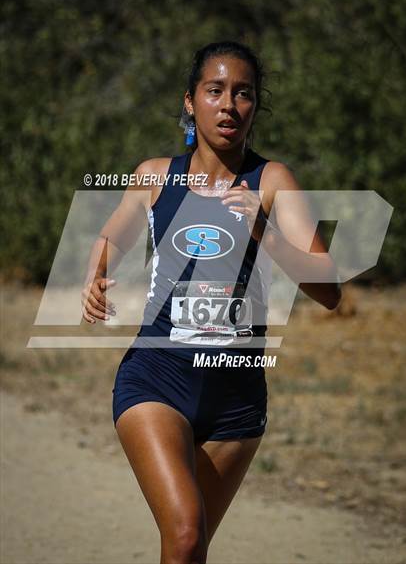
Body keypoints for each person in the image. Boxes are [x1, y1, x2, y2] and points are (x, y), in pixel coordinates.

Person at [81, 41, 341, 564]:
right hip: (158, 375)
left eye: (243, 93)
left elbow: (329, 290)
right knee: (183, 534)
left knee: (188, 549)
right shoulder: (155, 175)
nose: (229, 104)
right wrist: (96, 273)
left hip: (236, 394)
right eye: (215, 90)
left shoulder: (272, 182)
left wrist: (264, 231)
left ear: (255, 107)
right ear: (189, 101)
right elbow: (111, 238)